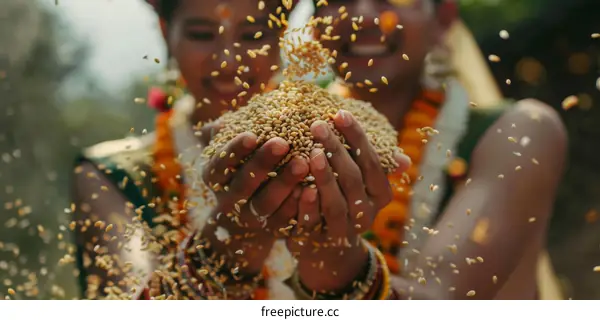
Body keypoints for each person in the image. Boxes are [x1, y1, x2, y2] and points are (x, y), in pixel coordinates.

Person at [305, 0, 567, 299]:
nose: (362, 16)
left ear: (442, 19)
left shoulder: (522, 133)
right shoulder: (285, 145)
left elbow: (440, 299)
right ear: (314, 26)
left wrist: (329, 256)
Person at [70, 0, 305, 299]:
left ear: (281, 36)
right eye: (202, 35)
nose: (228, 61)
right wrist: (229, 245)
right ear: (167, 33)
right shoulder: (117, 176)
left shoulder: (332, 151)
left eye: (253, 36)